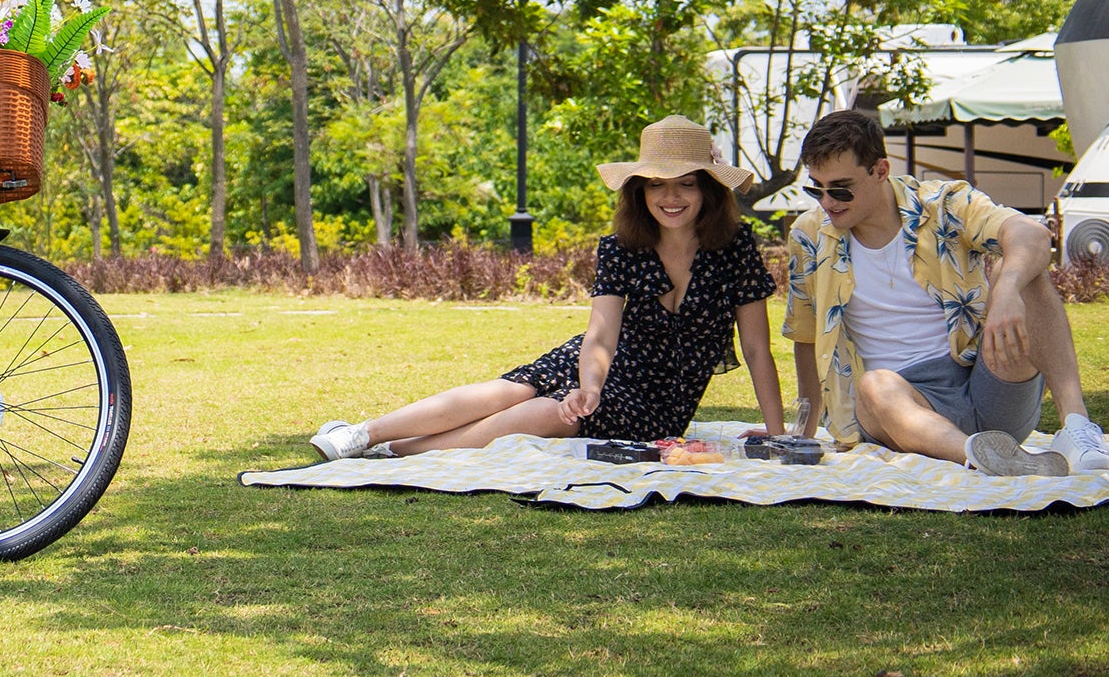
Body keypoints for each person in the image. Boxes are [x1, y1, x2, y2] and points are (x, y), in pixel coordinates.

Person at [312, 116, 787, 460]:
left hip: (659, 399)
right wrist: (590, 385)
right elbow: (600, 335)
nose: (671, 197)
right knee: (511, 391)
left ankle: (398, 449)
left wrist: (776, 431)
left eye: (685, 184)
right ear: (638, 190)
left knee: (550, 414)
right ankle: (363, 434)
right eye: (656, 184)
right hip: (598, 364)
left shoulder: (734, 247)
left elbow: (757, 347)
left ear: (708, 188)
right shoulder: (622, 246)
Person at [783, 108, 1109, 475]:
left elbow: (1032, 234)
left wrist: (1007, 289)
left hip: (984, 380)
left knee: (1022, 268)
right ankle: (980, 455)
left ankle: (1077, 428)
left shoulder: (943, 205)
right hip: (901, 406)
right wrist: (801, 432)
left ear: (880, 171)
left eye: (840, 188)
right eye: (816, 188)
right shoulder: (810, 235)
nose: (827, 201)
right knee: (876, 385)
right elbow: (806, 335)